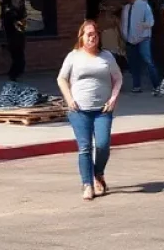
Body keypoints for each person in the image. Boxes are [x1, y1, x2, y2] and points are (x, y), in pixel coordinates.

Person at [57, 19, 123, 201]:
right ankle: (87, 184)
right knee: (85, 148)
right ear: (82, 37)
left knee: (102, 145)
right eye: (89, 35)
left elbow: (118, 78)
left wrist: (113, 98)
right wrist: (69, 99)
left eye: (95, 34)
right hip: (79, 110)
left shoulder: (107, 56)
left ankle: (98, 173)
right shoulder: (73, 56)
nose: (92, 38)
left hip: (102, 110)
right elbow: (61, 78)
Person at [120, 0, 160, 94]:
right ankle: (136, 86)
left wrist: (142, 26)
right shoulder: (126, 8)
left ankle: (157, 86)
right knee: (133, 64)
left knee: (148, 61)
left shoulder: (144, 6)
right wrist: (124, 35)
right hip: (129, 39)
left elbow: (151, 21)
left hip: (143, 39)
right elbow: (124, 23)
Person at [3, 0, 27, 82]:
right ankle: (13, 75)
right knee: (18, 59)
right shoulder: (10, 14)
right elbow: (18, 23)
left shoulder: (17, 13)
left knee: (19, 59)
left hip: (19, 39)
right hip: (13, 40)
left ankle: (13, 74)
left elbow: (22, 24)